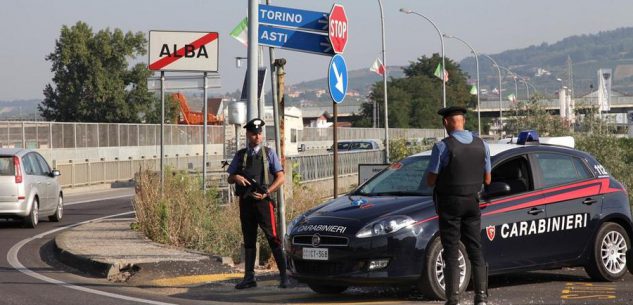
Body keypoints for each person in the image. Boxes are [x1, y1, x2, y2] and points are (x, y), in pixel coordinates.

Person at [426, 106, 491, 305]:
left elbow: (430, 180)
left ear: (446, 122)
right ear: (463, 121)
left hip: (450, 204)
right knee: (475, 249)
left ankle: (453, 298)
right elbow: (488, 179)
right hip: (473, 203)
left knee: (451, 250)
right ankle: (481, 297)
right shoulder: (482, 145)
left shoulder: (443, 147)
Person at [227, 118, 288, 289]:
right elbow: (230, 177)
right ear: (248, 135)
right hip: (246, 202)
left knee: (273, 238)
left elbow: (281, 177)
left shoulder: (269, 154)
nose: (257, 137)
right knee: (249, 239)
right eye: (254, 134)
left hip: (264, 202)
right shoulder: (241, 155)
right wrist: (236, 178)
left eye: (259, 134)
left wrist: (267, 192)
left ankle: (284, 276)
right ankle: (249, 278)